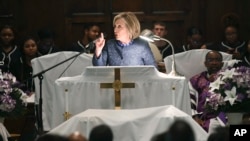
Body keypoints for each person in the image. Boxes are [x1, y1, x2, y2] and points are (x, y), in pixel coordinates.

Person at [189, 50, 225, 132]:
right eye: (210, 60)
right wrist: (195, 117)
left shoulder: (230, 79)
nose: (214, 63)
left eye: (217, 60)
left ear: (222, 63)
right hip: (203, 117)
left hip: (226, 116)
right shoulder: (195, 80)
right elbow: (191, 101)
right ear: (205, 63)